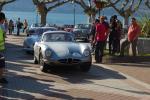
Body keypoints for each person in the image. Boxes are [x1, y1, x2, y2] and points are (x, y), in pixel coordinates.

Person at [0, 12, 8, 84]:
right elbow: (5, 33)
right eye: (3, 19)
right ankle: (1, 78)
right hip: (0, 49)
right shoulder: (1, 26)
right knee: (2, 64)